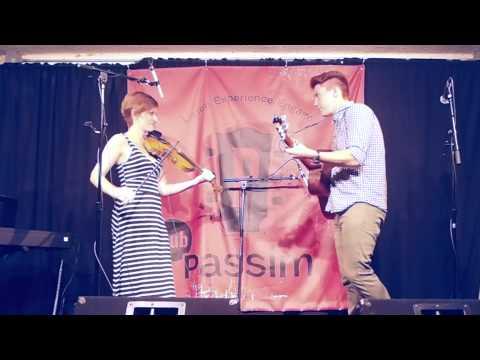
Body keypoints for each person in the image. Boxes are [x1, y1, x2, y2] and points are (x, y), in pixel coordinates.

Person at [90, 91, 214, 297]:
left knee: (161, 287)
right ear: (137, 114)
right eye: (152, 114)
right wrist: (118, 191)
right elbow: (95, 176)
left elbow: (162, 189)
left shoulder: (154, 150)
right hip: (132, 221)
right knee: (138, 285)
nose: (156, 119)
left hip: (153, 221)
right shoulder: (120, 141)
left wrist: (197, 180)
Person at [285, 71, 389, 313]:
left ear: (334, 92)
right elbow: (334, 165)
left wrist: (314, 154)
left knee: (356, 271)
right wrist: (306, 156)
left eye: (318, 95)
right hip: (344, 205)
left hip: (361, 201)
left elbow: (355, 157)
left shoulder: (358, 113)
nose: (314, 101)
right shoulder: (341, 122)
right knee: (349, 280)